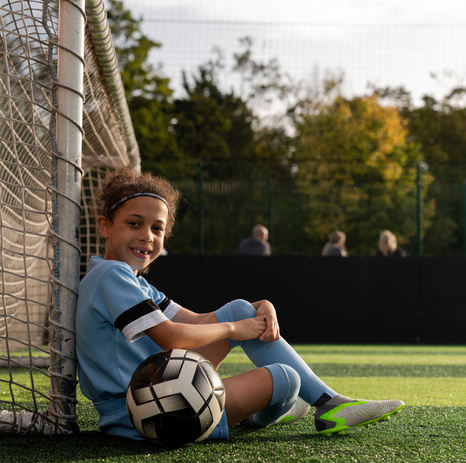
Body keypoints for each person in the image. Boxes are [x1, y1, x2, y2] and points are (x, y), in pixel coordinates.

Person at [76, 166, 404, 443]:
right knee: (286, 379)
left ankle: (322, 402)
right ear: (105, 226)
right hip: (151, 411)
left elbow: (199, 321)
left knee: (239, 310)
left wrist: (260, 306)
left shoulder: (129, 279)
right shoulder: (111, 275)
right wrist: (236, 328)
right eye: (135, 224)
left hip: (159, 394)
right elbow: (173, 338)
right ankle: (291, 407)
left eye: (157, 228)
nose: (147, 235)